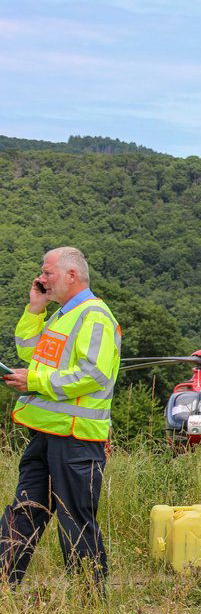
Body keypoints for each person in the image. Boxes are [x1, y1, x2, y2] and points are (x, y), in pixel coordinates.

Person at [0, 248, 121, 591]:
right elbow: (30, 352)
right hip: (47, 434)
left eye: (48, 273)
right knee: (24, 510)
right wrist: (34, 310)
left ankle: (89, 602)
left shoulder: (94, 315)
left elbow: (93, 375)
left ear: (71, 275)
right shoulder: (62, 316)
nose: (41, 279)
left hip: (77, 438)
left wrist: (34, 382)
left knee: (76, 521)